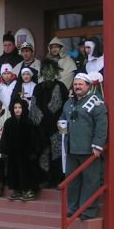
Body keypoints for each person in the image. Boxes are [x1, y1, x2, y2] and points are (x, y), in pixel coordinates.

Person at [61, 72, 108, 219]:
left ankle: (87, 210)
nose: (77, 87)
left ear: (88, 85)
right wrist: (60, 124)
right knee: (72, 181)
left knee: (90, 181)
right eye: (75, 84)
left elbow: (102, 124)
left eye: (81, 84)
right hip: (71, 148)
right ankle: (73, 208)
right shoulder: (69, 102)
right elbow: (63, 118)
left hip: (89, 149)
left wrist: (97, 145)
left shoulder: (96, 101)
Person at [31, 58, 70, 187]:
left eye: (51, 70)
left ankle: (59, 178)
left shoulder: (61, 87)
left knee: (58, 152)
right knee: (43, 152)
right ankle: (44, 179)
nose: (48, 73)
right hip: (41, 128)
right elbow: (34, 107)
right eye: (45, 70)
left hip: (57, 128)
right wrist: (38, 124)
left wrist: (63, 125)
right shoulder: (38, 88)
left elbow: (66, 107)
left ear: (55, 72)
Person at [0, 98, 40, 201]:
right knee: (13, 172)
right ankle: (16, 190)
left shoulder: (28, 122)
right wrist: (4, 150)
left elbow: (33, 138)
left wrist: (33, 151)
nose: (17, 110)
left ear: (24, 108)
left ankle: (28, 191)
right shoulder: (9, 122)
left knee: (26, 172)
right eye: (15, 107)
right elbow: (5, 137)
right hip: (13, 153)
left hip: (25, 154)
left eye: (20, 107)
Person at [79, 37, 114, 115]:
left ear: (95, 47)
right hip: (89, 103)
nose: (86, 50)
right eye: (85, 48)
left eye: (88, 47)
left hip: (107, 101)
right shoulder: (86, 66)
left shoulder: (108, 63)